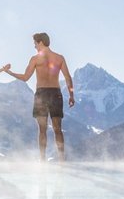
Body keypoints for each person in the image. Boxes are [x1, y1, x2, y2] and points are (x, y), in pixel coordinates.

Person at [5, 32, 75, 161]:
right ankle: (61, 160)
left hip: (41, 94)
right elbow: (68, 78)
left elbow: (25, 77)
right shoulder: (59, 58)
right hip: (55, 94)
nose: (34, 46)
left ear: (40, 42)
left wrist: (9, 72)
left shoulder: (35, 59)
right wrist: (71, 96)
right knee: (58, 129)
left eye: (35, 43)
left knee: (42, 130)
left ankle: (42, 160)